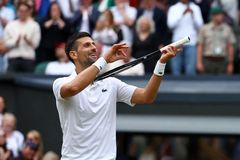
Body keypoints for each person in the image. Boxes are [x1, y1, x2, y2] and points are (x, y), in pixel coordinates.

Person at [52, 32, 180, 159]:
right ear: (74, 54)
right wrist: (105, 60)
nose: (93, 47)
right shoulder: (61, 83)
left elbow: (147, 96)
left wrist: (161, 63)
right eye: (86, 45)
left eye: (93, 44)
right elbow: (74, 88)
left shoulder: (112, 84)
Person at [167, 0, 203, 75]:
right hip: (177, 42)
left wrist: (193, 15)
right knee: (176, 71)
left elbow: (200, 26)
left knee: (190, 71)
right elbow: (170, 25)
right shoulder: (173, 8)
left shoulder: (195, 8)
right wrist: (182, 14)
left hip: (191, 42)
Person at [197, 6, 236, 74]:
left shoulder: (227, 28)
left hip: (222, 60)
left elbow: (230, 47)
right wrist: (199, 62)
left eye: (222, 14)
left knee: (223, 83)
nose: (221, 16)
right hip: (208, 60)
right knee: (206, 82)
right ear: (213, 16)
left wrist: (230, 64)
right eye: (219, 14)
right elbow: (200, 46)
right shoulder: (204, 28)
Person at [3, 1, 41, 73]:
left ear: (29, 12)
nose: (22, 13)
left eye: (25, 11)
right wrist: (15, 41)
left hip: (28, 59)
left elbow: (36, 45)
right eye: (21, 11)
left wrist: (28, 41)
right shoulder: (10, 25)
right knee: (9, 82)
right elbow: (6, 43)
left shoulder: (35, 25)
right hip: (13, 58)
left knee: (29, 82)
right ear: (17, 11)